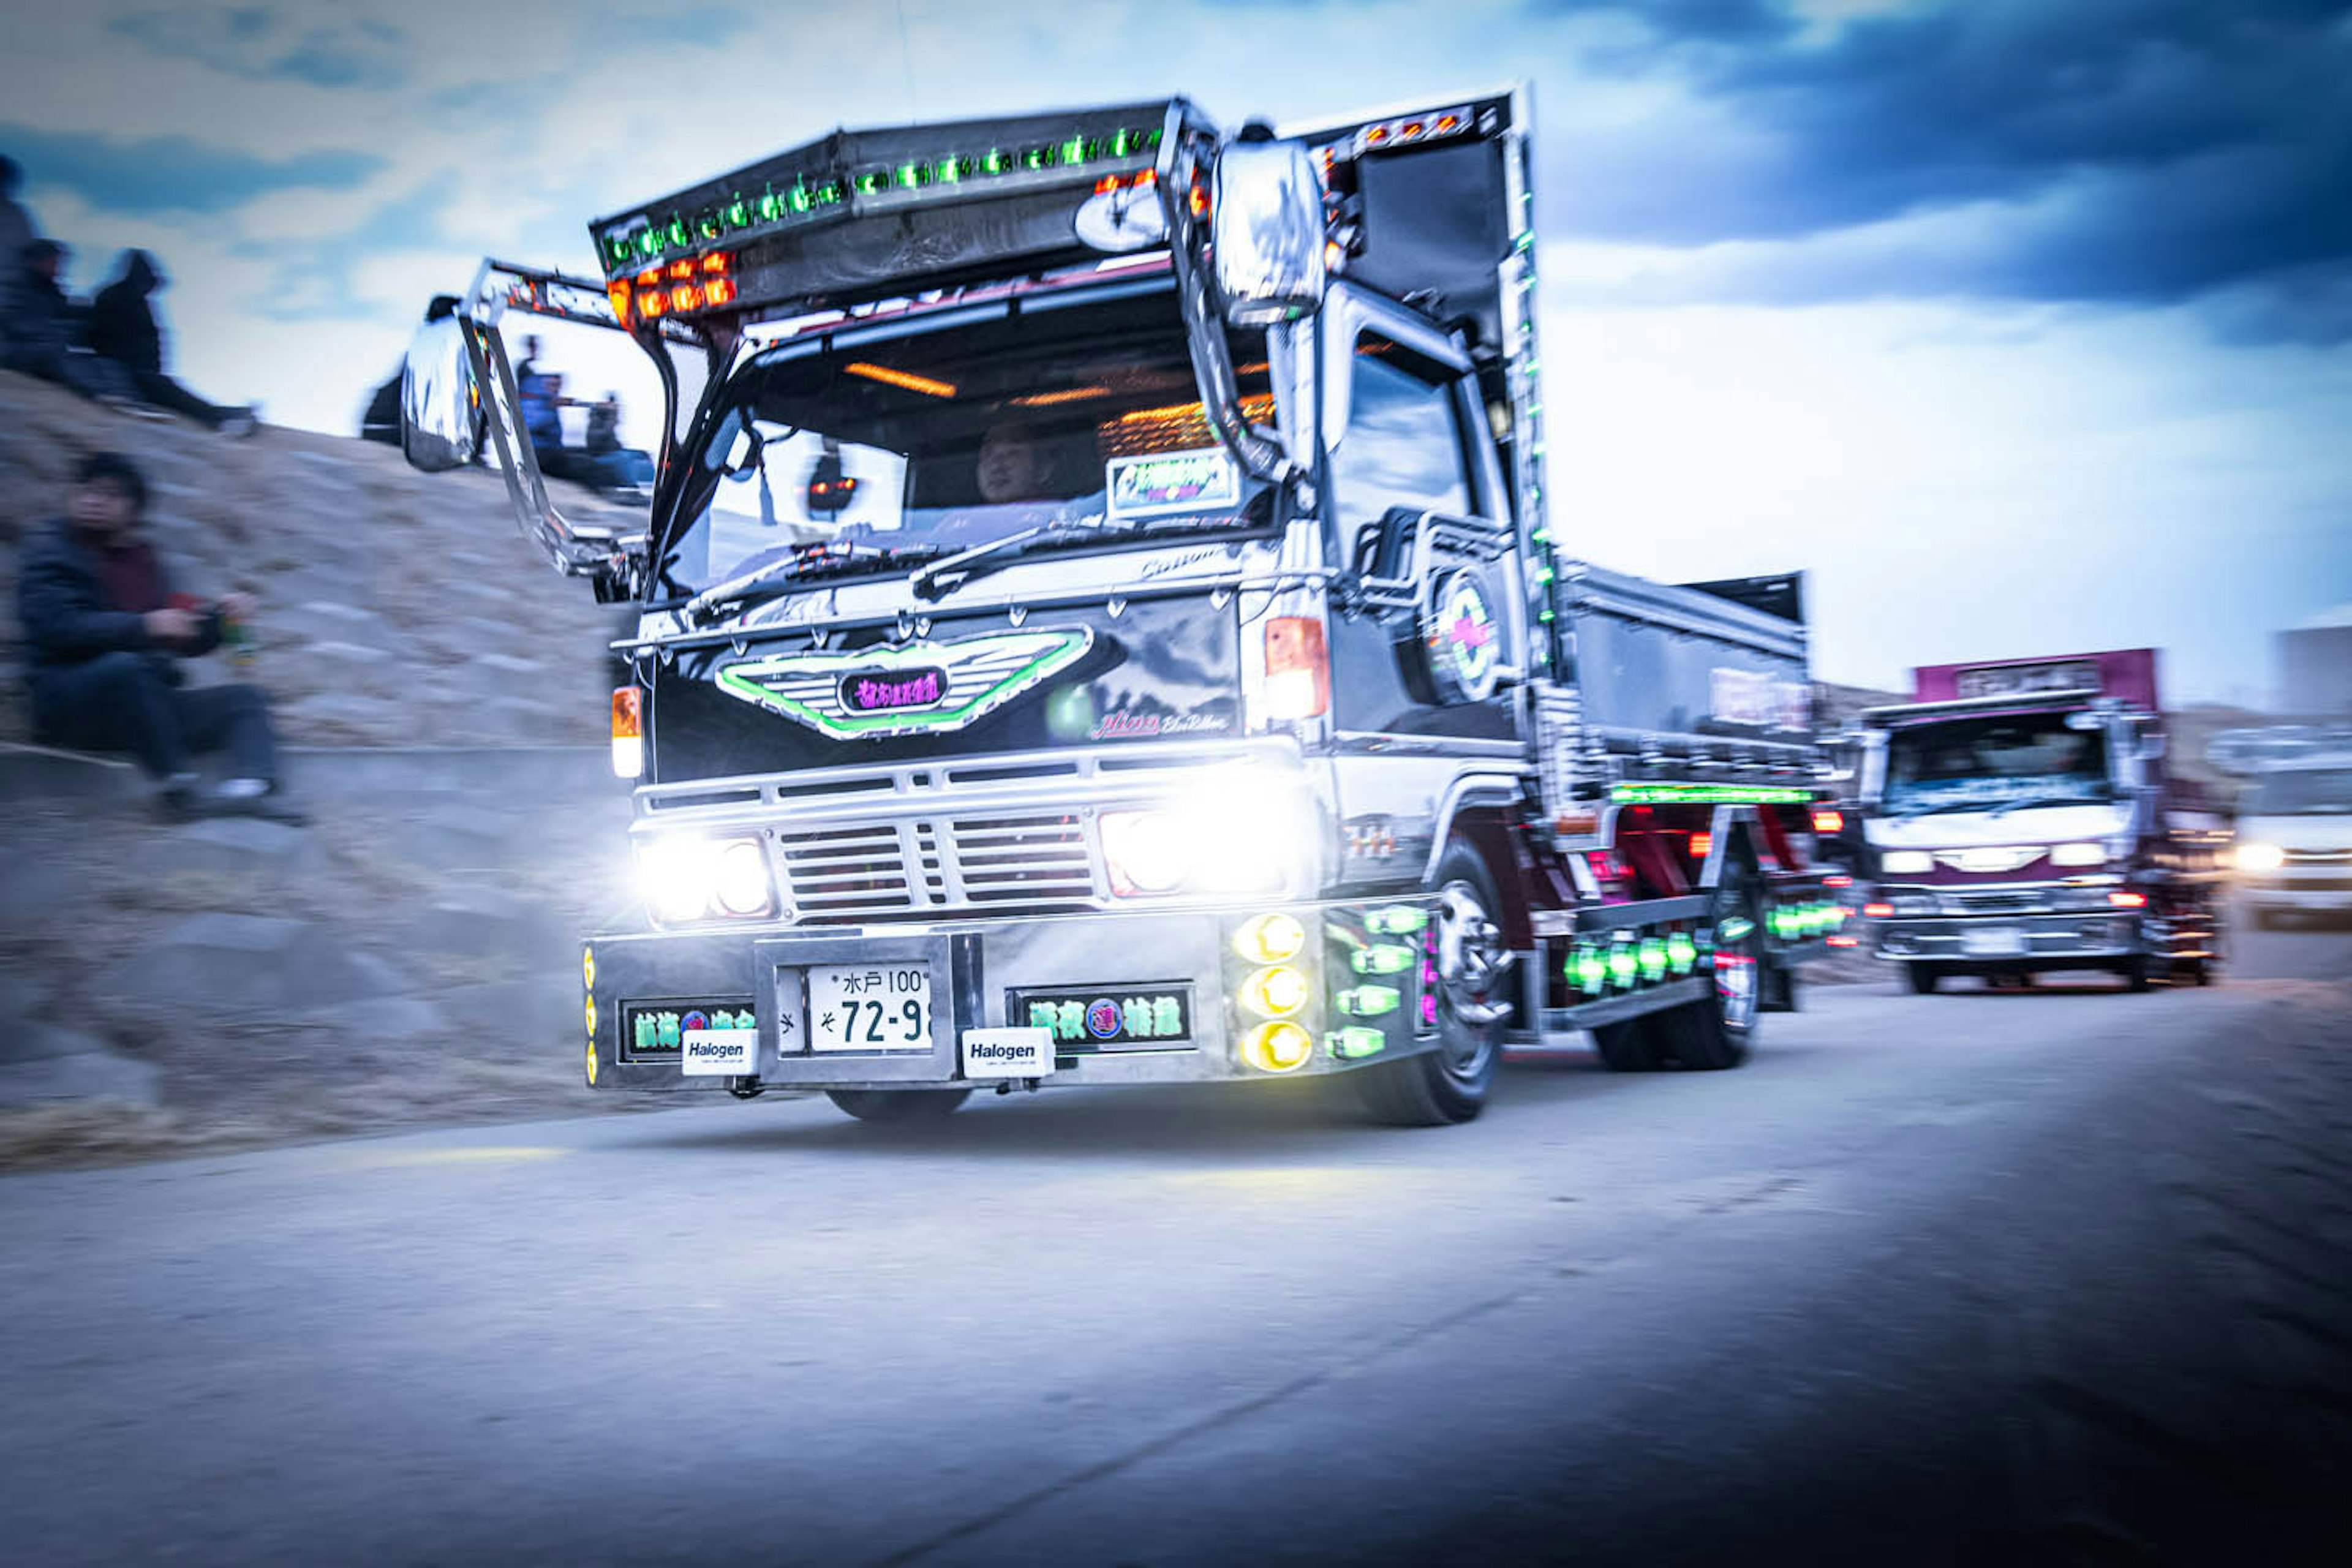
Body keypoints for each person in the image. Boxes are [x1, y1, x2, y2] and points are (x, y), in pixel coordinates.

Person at [17, 452, 302, 823]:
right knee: (125, 667)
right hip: (69, 702)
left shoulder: (145, 561)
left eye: (109, 494)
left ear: (134, 511)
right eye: (86, 490)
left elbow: (179, 635)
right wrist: (145, 626)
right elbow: (57, 627)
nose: (93, 499)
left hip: (144, 707)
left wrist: (219, 620)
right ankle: (178, 792)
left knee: (246, 699)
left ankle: (245, 794)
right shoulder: (51, 548)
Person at [85, 250, 257, 436]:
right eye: (147, 282)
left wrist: (153, 367)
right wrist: (127, 363)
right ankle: (225, 419)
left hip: (144, 370)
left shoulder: (140, 303)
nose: (150, 289)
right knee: (166, 391)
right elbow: (102, 334)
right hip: (124, 369)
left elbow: (152, 340)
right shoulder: (113, 296)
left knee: (169, 390)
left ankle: (226, 417)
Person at [3, 239, 137, 404]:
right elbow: (18, 323)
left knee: (107, 364)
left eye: (59, 262)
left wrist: (100, 315)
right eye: (53, 261)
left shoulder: (50, 291)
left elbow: (69, 313)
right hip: (21, 353)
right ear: (36, 262)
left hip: (45, 349)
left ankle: (127, 399)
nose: (58, 267)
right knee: (58, 357)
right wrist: (54, 333)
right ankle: (100, 396)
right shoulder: (18, 287)